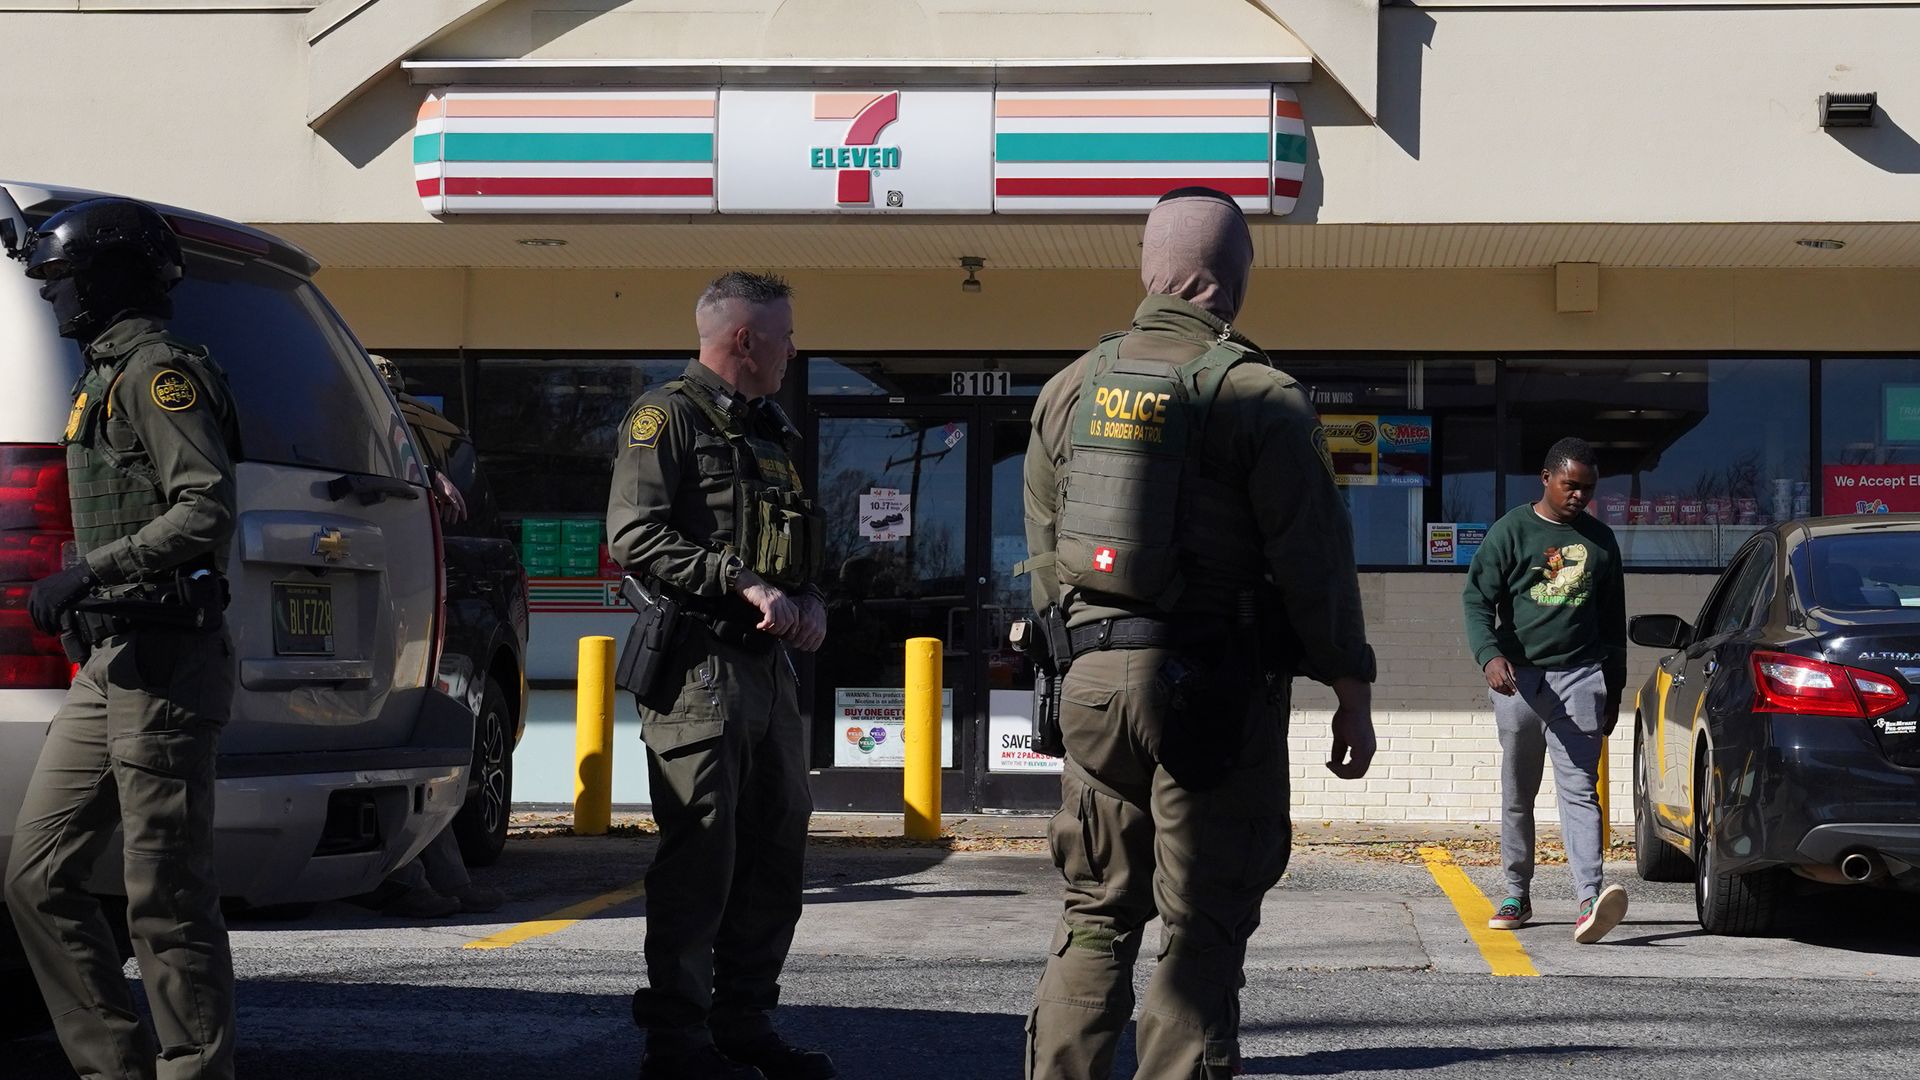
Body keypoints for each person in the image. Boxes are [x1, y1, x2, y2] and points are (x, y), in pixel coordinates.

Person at [1021, 188, 1378, 1080]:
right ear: (1235, 279)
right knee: (1202, 918)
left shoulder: (1067, 390)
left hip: (1092, 688)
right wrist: (1350, 685)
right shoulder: (1259, 395)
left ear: (1150, 271)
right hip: (1213, 693)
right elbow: (1314, 563)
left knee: (1096, 908)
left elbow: (1043, 568)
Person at [5, 198, 241, 1078]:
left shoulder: (154, 374)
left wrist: (91, 574)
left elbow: (205, 508)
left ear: (105, 280)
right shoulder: (102, 374)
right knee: (36, 878)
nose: (53, 300)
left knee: (166, 900)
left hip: (168, 661)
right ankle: (113, 1066)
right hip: (112, 664)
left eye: (61, 281)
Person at [606, 271, 832, 1080]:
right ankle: (677, 1041)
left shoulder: (772, 431)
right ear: (745, 339)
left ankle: (743, 1023)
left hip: (769, 673)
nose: (793, 350)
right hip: (698, 668)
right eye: (785, 335)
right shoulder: (664, 417)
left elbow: (800, 548)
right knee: (702, 858)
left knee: (776, 855)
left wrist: (810, 602)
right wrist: (739, 580)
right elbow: (633, 533)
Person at [1462, 436, 1630, 944]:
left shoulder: (1600, 542)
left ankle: (1589, 900)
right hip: (1517, 681)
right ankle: (1516, 893)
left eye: (1588, 488)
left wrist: (1614, 689)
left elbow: (1611, 621)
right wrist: (1489, 656)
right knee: (1519, 793)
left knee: (1580, 790)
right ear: (1546, 478)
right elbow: (1475, 601)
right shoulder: (1510, 531)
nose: (1579, 496)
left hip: (1581, 677)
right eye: (1570, 485)